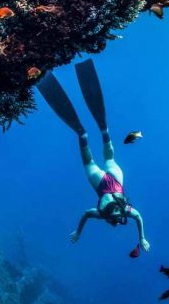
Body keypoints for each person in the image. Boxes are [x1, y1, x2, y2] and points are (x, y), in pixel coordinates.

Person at [37, 59, 150, 252]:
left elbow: (86, 215)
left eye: (114, 220)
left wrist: (78, 232)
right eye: (117, 220)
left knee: (94, 161)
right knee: (105, 159)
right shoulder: (123, 212)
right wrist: (142, 238)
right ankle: (99, 131)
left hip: (105, 185)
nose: (116, 218)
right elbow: (138, 217)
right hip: (114, 182)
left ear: (110, 220)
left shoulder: (103, 213)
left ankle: (86, 134)